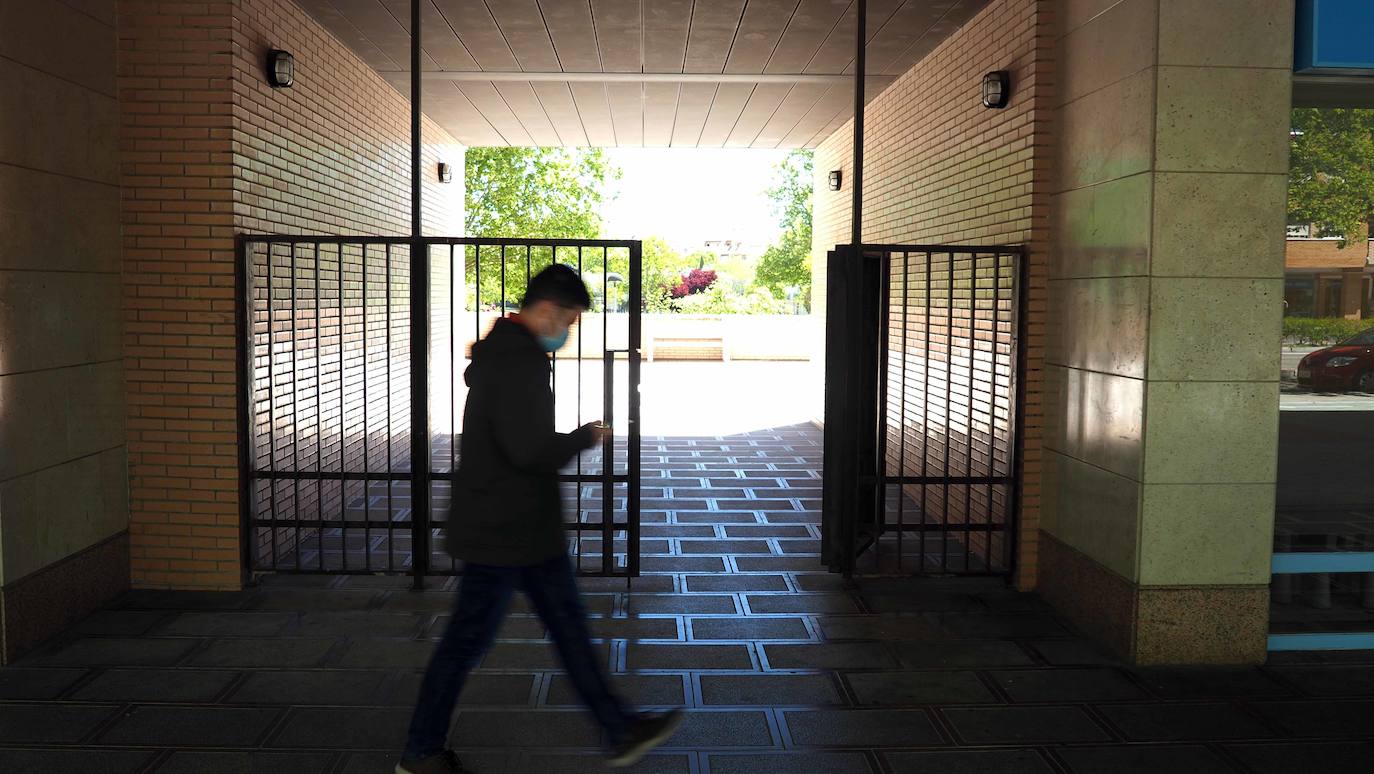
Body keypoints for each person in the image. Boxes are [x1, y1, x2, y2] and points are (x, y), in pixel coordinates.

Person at [397, 264, 682, 774]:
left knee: (567, 630)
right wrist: (584, 437)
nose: (568, 331)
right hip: (502, 532)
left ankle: (620, 730)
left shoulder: (508, 355)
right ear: (548, 309)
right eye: (570, 320)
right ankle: (420, 752)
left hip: (520, 527)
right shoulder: (516, 363)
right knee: (469, 644)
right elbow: (528, 450)